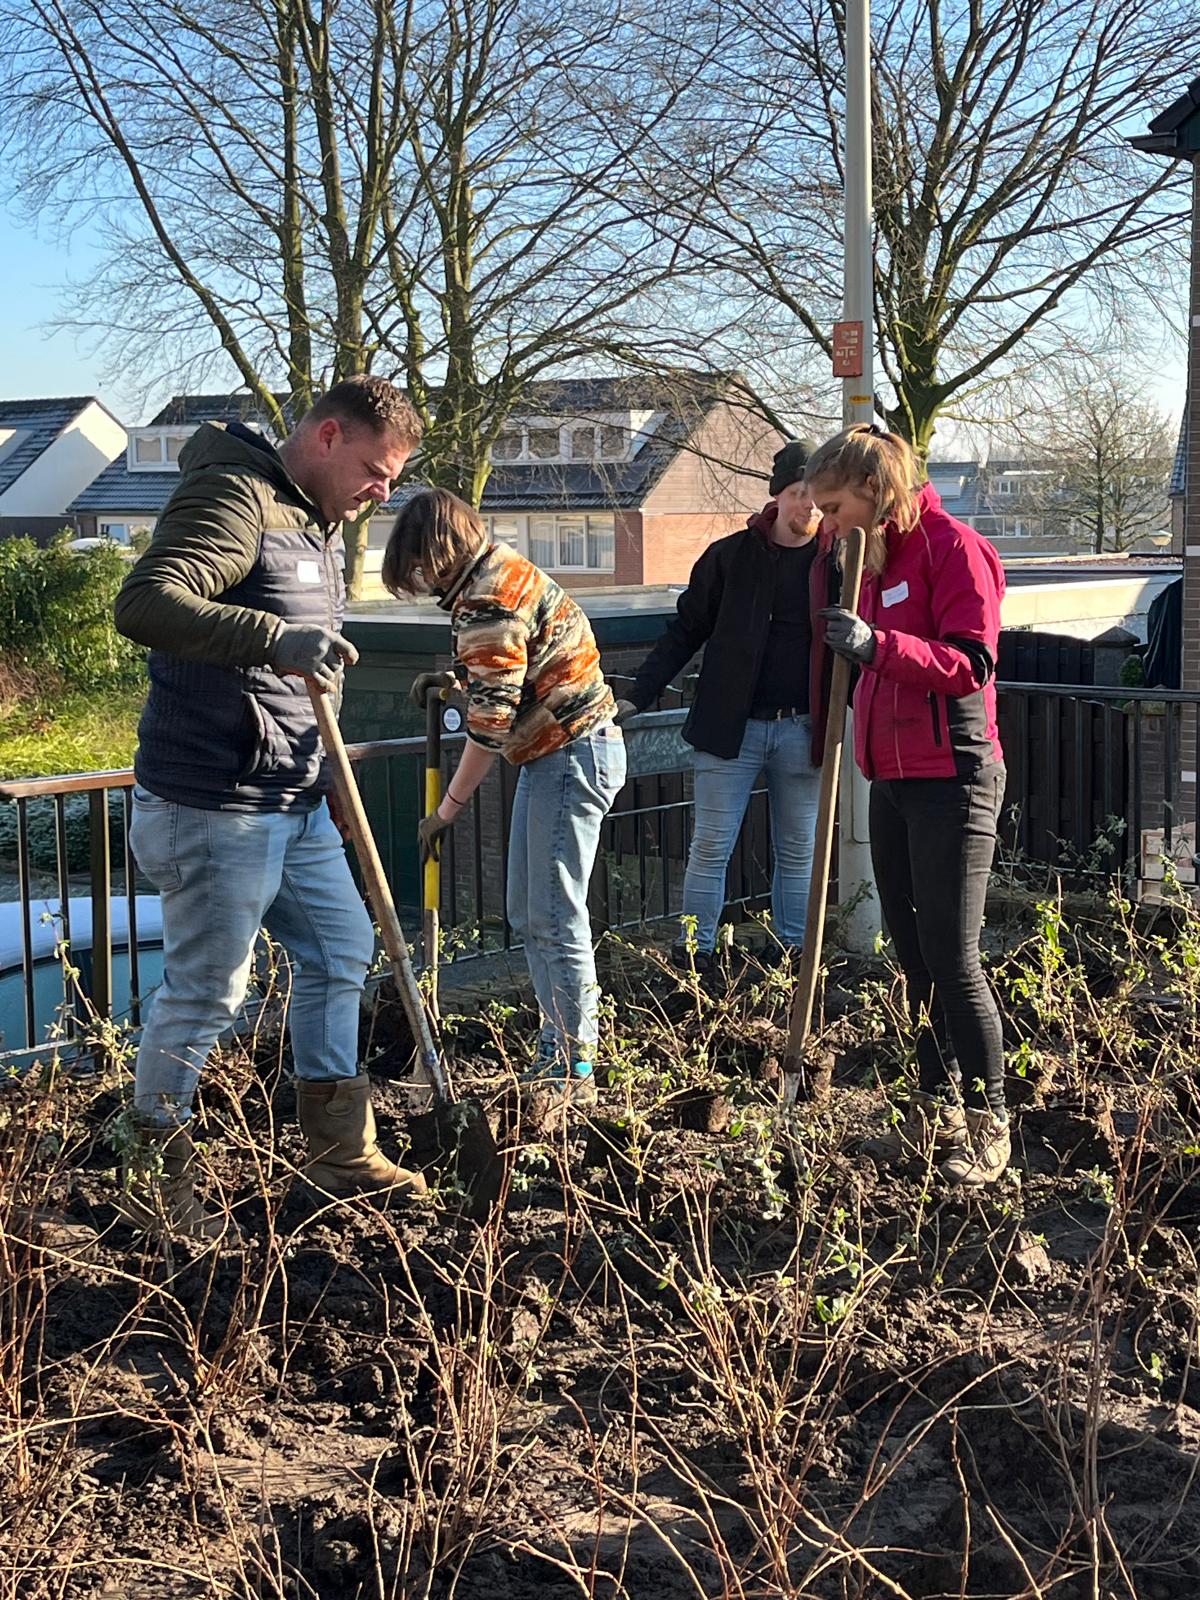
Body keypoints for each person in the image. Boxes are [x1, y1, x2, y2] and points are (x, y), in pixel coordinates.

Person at [113, 376, 428, 1240]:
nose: (384, 492)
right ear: (327, 436)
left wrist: (324, 766)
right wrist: (273, 637)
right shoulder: (232, 493)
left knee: (342, 947)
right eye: (375, 468)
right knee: (208, 993)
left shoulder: (316, 525)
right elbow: (145, 603)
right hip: (215, 801)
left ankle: (336, 1148)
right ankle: (154, 1180)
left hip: (291, 797)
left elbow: (297, 680)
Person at [807, 422, 1010, 1187]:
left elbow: (972, 663)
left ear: (873, 490)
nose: (826, 523)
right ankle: (935, 1113)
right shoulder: (866, 558)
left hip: (953, 777)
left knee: (954, 959)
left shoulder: (953, 548)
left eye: (833, 506)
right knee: (911, 958)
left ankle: (991, 1126)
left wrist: (876, 646)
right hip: (890, 778)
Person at [384, 489, 625, 1109]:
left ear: (435, 554)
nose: (419, 581)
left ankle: (574, 1065)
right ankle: (556, 1049)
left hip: (569, 754)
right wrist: (458, 679)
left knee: (553, 915)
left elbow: (491, 725)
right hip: (558, 753)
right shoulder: (497, 572)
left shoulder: (488, 597)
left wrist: (447, 813)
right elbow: (514, 663)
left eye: (417, 568)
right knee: (528, 912)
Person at [613, 440, 837, 973]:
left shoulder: (838, 565)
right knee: (711, 847)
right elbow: (685, 631)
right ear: (777, 497)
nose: (809, 506)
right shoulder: (730, 557)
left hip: (805, 729)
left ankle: (793, 955)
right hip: (728, 728)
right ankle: (696, 958)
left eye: (817, 497)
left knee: (799, 849)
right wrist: (637, 696)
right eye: (799, 493)